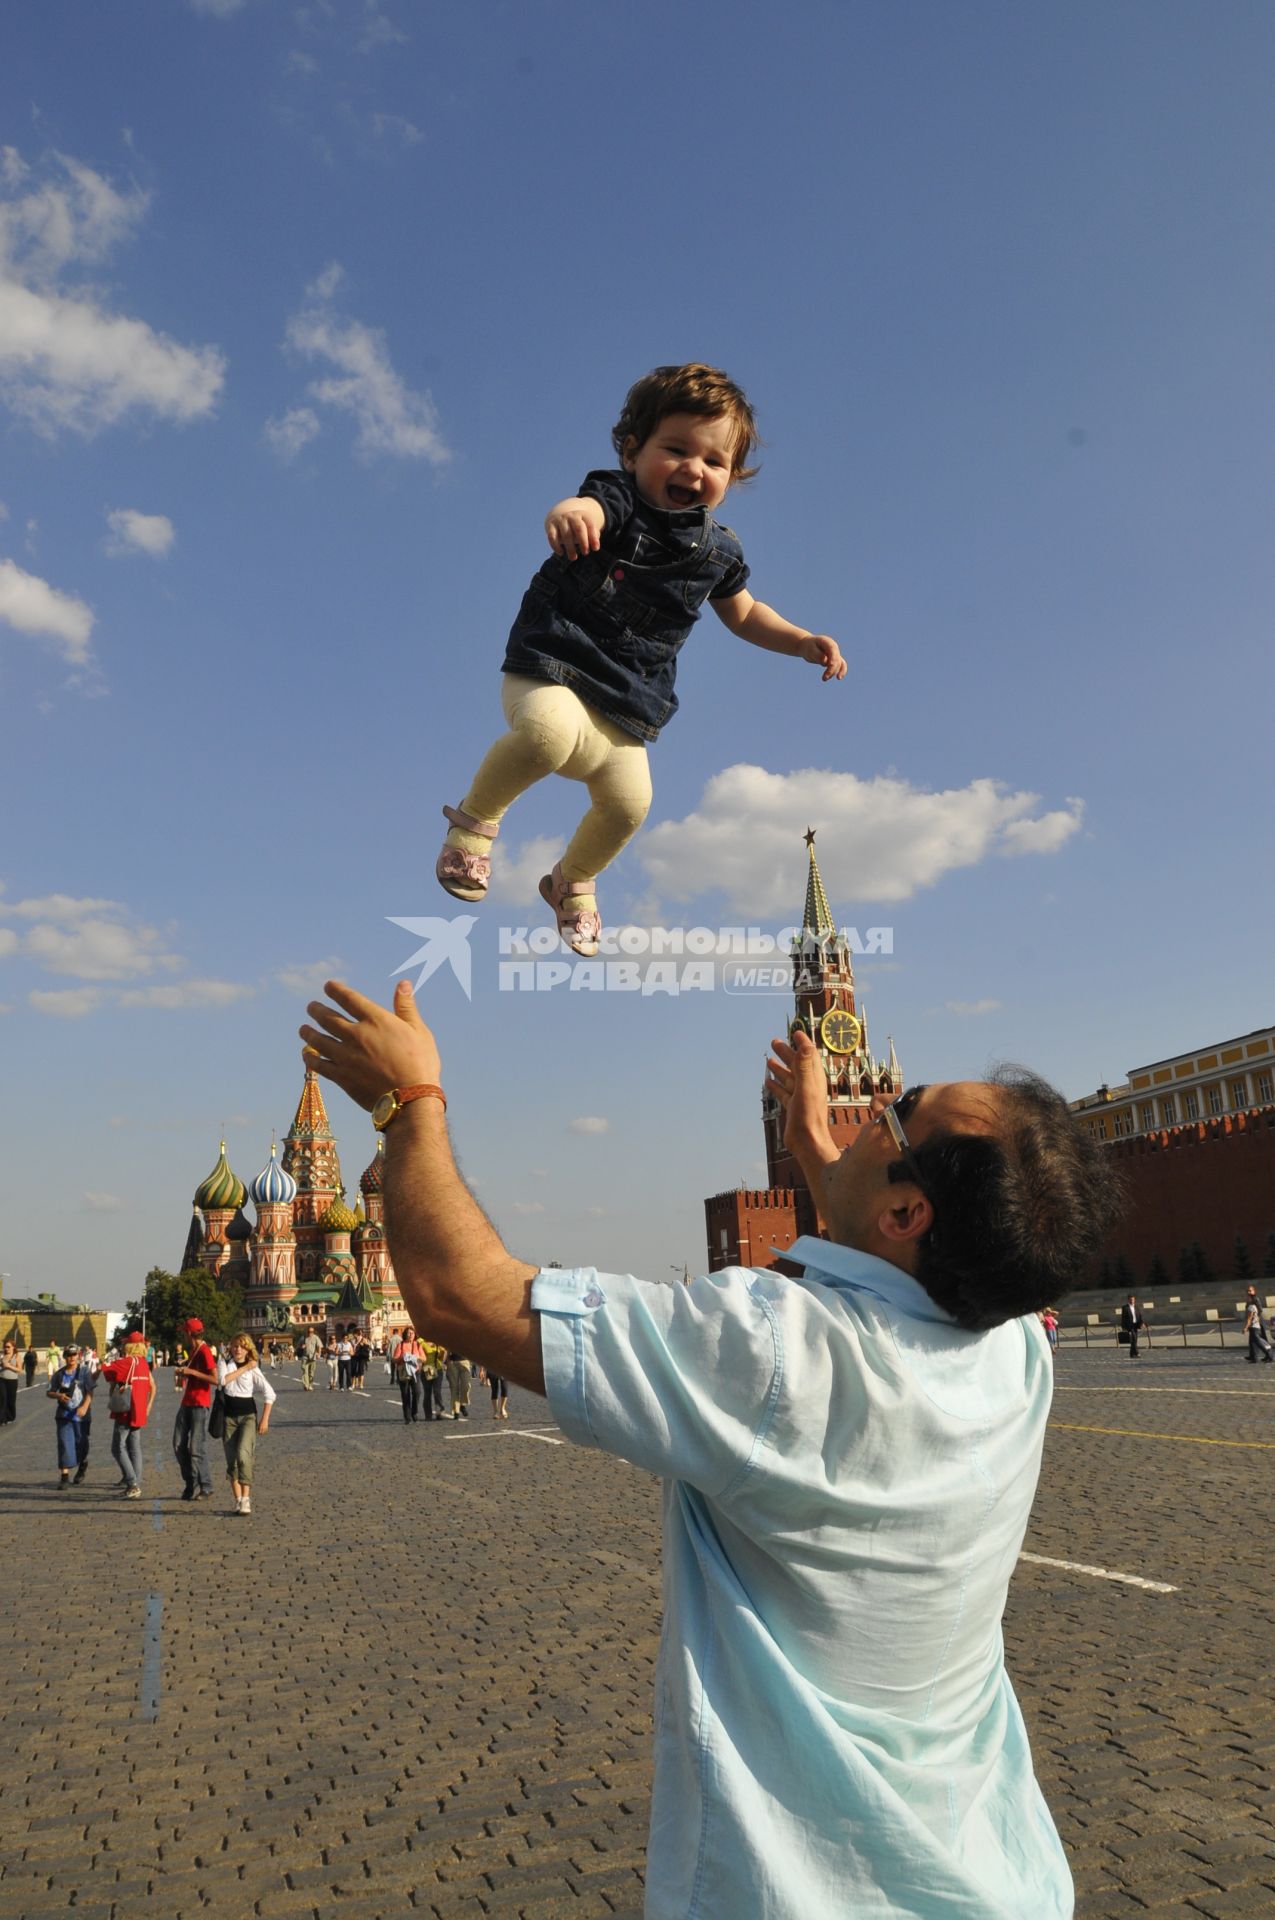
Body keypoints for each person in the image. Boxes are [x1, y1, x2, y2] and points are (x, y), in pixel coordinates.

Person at [299, 978, 1123, 1920]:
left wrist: (409, 1101)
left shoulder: (775, 1356)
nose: (874, 1111)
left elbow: (457, 1294)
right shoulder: (1013, 1345)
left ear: (906, 1214)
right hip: (999, 1879)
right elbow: (883, 1244)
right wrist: (824, 1142)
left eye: (891, 1113)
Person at [435, 364, 846, 955]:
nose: (693, 469)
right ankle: (472, 828)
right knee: (549, 737)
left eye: (713, 462)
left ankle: (571, 880)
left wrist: (802, 640)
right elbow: (591, 507)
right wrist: (572, 513)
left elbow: (748, 614)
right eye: (675, 449)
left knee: (631, 804)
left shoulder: (719, 552)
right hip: (554, 664)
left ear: (732, 476)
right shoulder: (617, 497)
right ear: (632, 452)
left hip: (626, 700)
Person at [217, 1334, 275, 1514]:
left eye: (242, 1346)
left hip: (248, 1417)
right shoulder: (224, 1363)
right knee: (232, 1461)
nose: (238, 1349)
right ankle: (239, 1500)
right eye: (235, 1346)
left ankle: (246, 1498)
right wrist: (245, 1368)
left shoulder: (253, 1369)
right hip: (228, 1418)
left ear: (248, 1348)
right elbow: (223, 1381)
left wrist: (265, 1418)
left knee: (243, 1455)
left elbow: (270, 1393)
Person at [101, 1328, 156, 1497]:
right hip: (139, 1409)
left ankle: (132, 1483)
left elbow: (106, 1369)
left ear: (131, 1346)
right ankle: (135, 1482)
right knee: (134, 1447)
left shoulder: (128, 1361)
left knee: (117, 1447)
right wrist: (148, 1407)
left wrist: (103, 1361)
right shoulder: (143, 1363)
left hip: (126, 1409)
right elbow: (151, 1387)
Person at [172, 1316, 217, 1501]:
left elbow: (215, 1379)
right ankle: (190, 1482)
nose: (183, 1335)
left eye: (184, 1332)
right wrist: (183, 1371)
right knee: (178, 1443)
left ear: (190, 1333)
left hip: (200, 1404)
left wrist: (191, 1372)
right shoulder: (193, 1350)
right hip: (187, 1402)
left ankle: (206, 1485)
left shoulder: (204, 1351)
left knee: (196, 1447)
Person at [47, 1345, 89, 1489]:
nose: (71, 1358)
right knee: (64, 1443)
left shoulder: (84, 1372)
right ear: (64, 1357)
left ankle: (82, 1465)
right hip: (64, 1415)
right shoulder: (59, 1374)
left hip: (81, 1415)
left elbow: (90, 1392)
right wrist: (59, 1395)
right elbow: (49, 1392)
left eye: (74, 1355)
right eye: (68, 1355)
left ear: (78, 1356)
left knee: (80, 1444)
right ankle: (64, 1477)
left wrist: (84, 1407)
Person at [392, 1328, 423, 1423]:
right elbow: (394, 1359)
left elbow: (424, 1358)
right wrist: (402, 1357)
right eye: (409, 1333)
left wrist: (417, 1357)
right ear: (405, 1334)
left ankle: (415, 1412)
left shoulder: (417, 1344)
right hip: (403, 1372)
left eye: (412, 1333)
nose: (411, 1335)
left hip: (415, 1371)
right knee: (405, 1394)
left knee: (417, 1392)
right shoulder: (400, 1345)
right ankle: (407, 1416)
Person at [1242, 1286, 1273, 1363]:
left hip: (1258, 1322)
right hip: (1253, 1323)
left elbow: (1260, 1310)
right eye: (1247, 1291)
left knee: (1260, 1340)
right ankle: (1253, 1356)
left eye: (1250, 1291)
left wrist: (1257, 1319)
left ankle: (1268, 1355)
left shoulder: (1255, 1299)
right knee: (1252, 1340)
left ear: (1254, 1291)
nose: (1248, 1292)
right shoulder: (1249, 1301)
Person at [446, 1351, 472, 1420]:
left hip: (465, 1361)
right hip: (453, 1362)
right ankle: (456, 1411)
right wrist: (447, 1362)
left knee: (466, 1386)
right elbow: (447, 1349)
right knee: (454, 1388)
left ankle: (462, 1404)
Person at [0, 1339, 20, 1425]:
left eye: (8, 1347)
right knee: (2, 1398)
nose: (6, 1348)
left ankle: (10, 1416)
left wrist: (9, 1366)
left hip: (12, 1381)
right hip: (2, 1379)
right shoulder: (2, 1356)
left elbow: (19, 1369)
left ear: (13, 1347)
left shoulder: (16, 1356)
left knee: (11, 1400)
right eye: (5, 1347)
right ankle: (2, 1419)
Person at [1120, 1292, 1146, 1359]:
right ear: (1128, 1300)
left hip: (1136, 1325)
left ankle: (1132, 1354)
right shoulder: (1125, 1308)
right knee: (1133, 1338)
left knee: (1135, 1340)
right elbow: (1123, 1318)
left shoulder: (1136, 1307)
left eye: (1133, 1299)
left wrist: (1142, 1323)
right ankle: (1137, 1353)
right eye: (1131, 1299)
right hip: (1129, 1325)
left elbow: (1140, 1316)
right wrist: (1123, 1327)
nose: (1132, 1301)